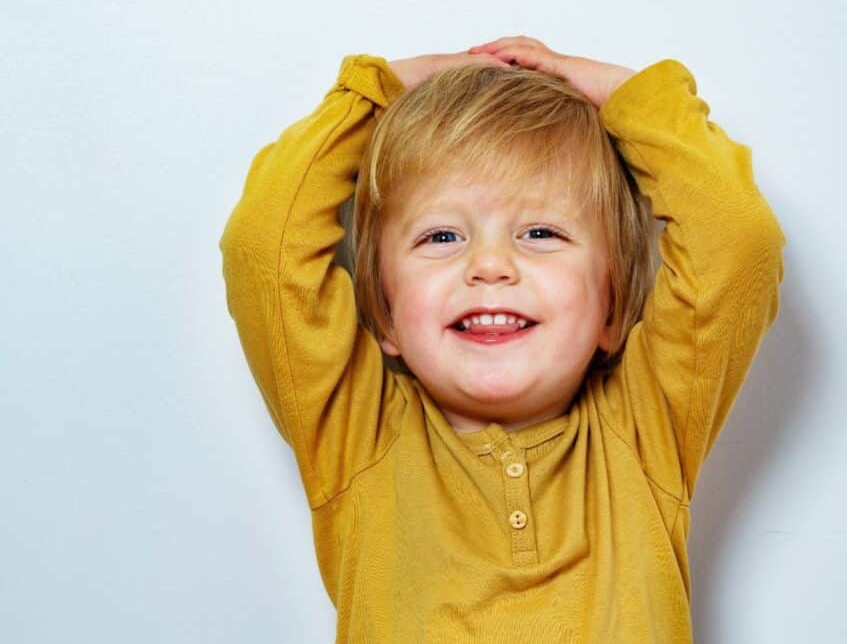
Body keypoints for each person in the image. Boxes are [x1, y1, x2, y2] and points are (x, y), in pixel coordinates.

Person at [219, 35, 786, 643]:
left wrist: (628, 97)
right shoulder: (357, 438)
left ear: (613, 309)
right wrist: (373, 94)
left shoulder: (646, 432)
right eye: (441, 237)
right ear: (384, 312)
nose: (490, 266)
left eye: (540, 232)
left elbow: (736, 242)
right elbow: (263, 249)